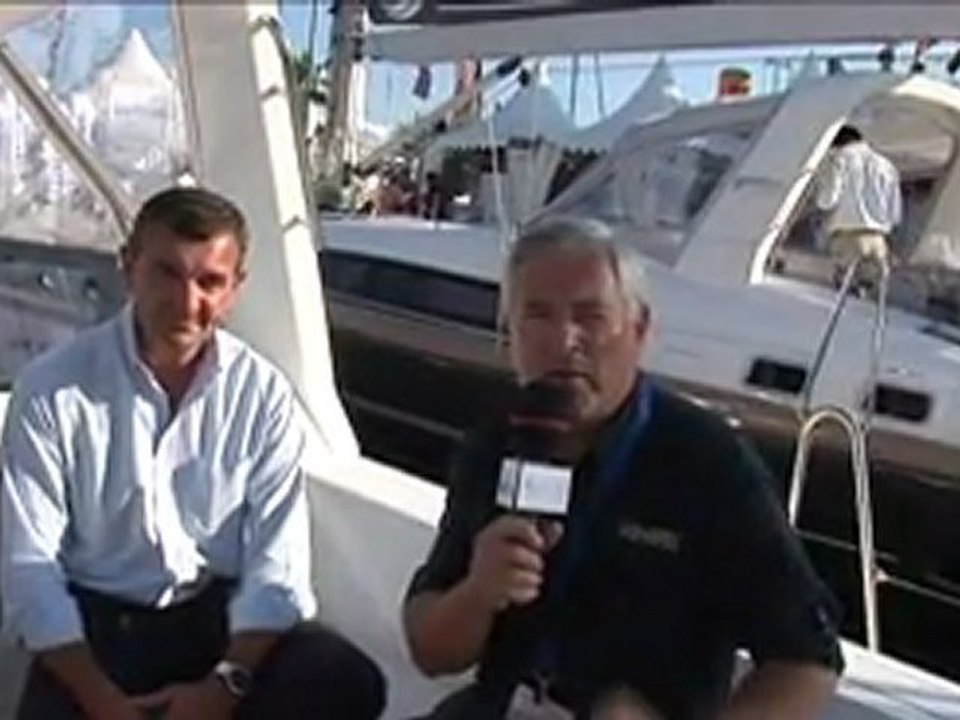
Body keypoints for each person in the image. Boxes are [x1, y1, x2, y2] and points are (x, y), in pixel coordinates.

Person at [403, 217, 843, 719]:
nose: (564, 339)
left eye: (590, 316)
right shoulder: (496, 440)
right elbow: (430, 652)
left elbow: (808, 660)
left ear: (639, 330)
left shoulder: (707, 460)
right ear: (511, 333)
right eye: (538, 315)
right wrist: (478, 592)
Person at [1, 187, 385, 720]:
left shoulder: (263, 396)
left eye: (209, 281)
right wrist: (103, 703)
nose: (187, 302)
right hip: (97, 633)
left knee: (343, 679)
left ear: (234, 290)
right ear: (128, 267)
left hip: (213, 624)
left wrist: (223, 687)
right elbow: (28, 573)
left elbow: (279, 571)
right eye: (167, 273)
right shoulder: (51, 389)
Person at [815, 124, 902, 287]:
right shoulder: (887, 165)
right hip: (878, 241)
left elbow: (826, 201)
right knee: (868, 303)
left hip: (848, 238)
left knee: (841, 298)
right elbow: (895, 213)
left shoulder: (839, 159)